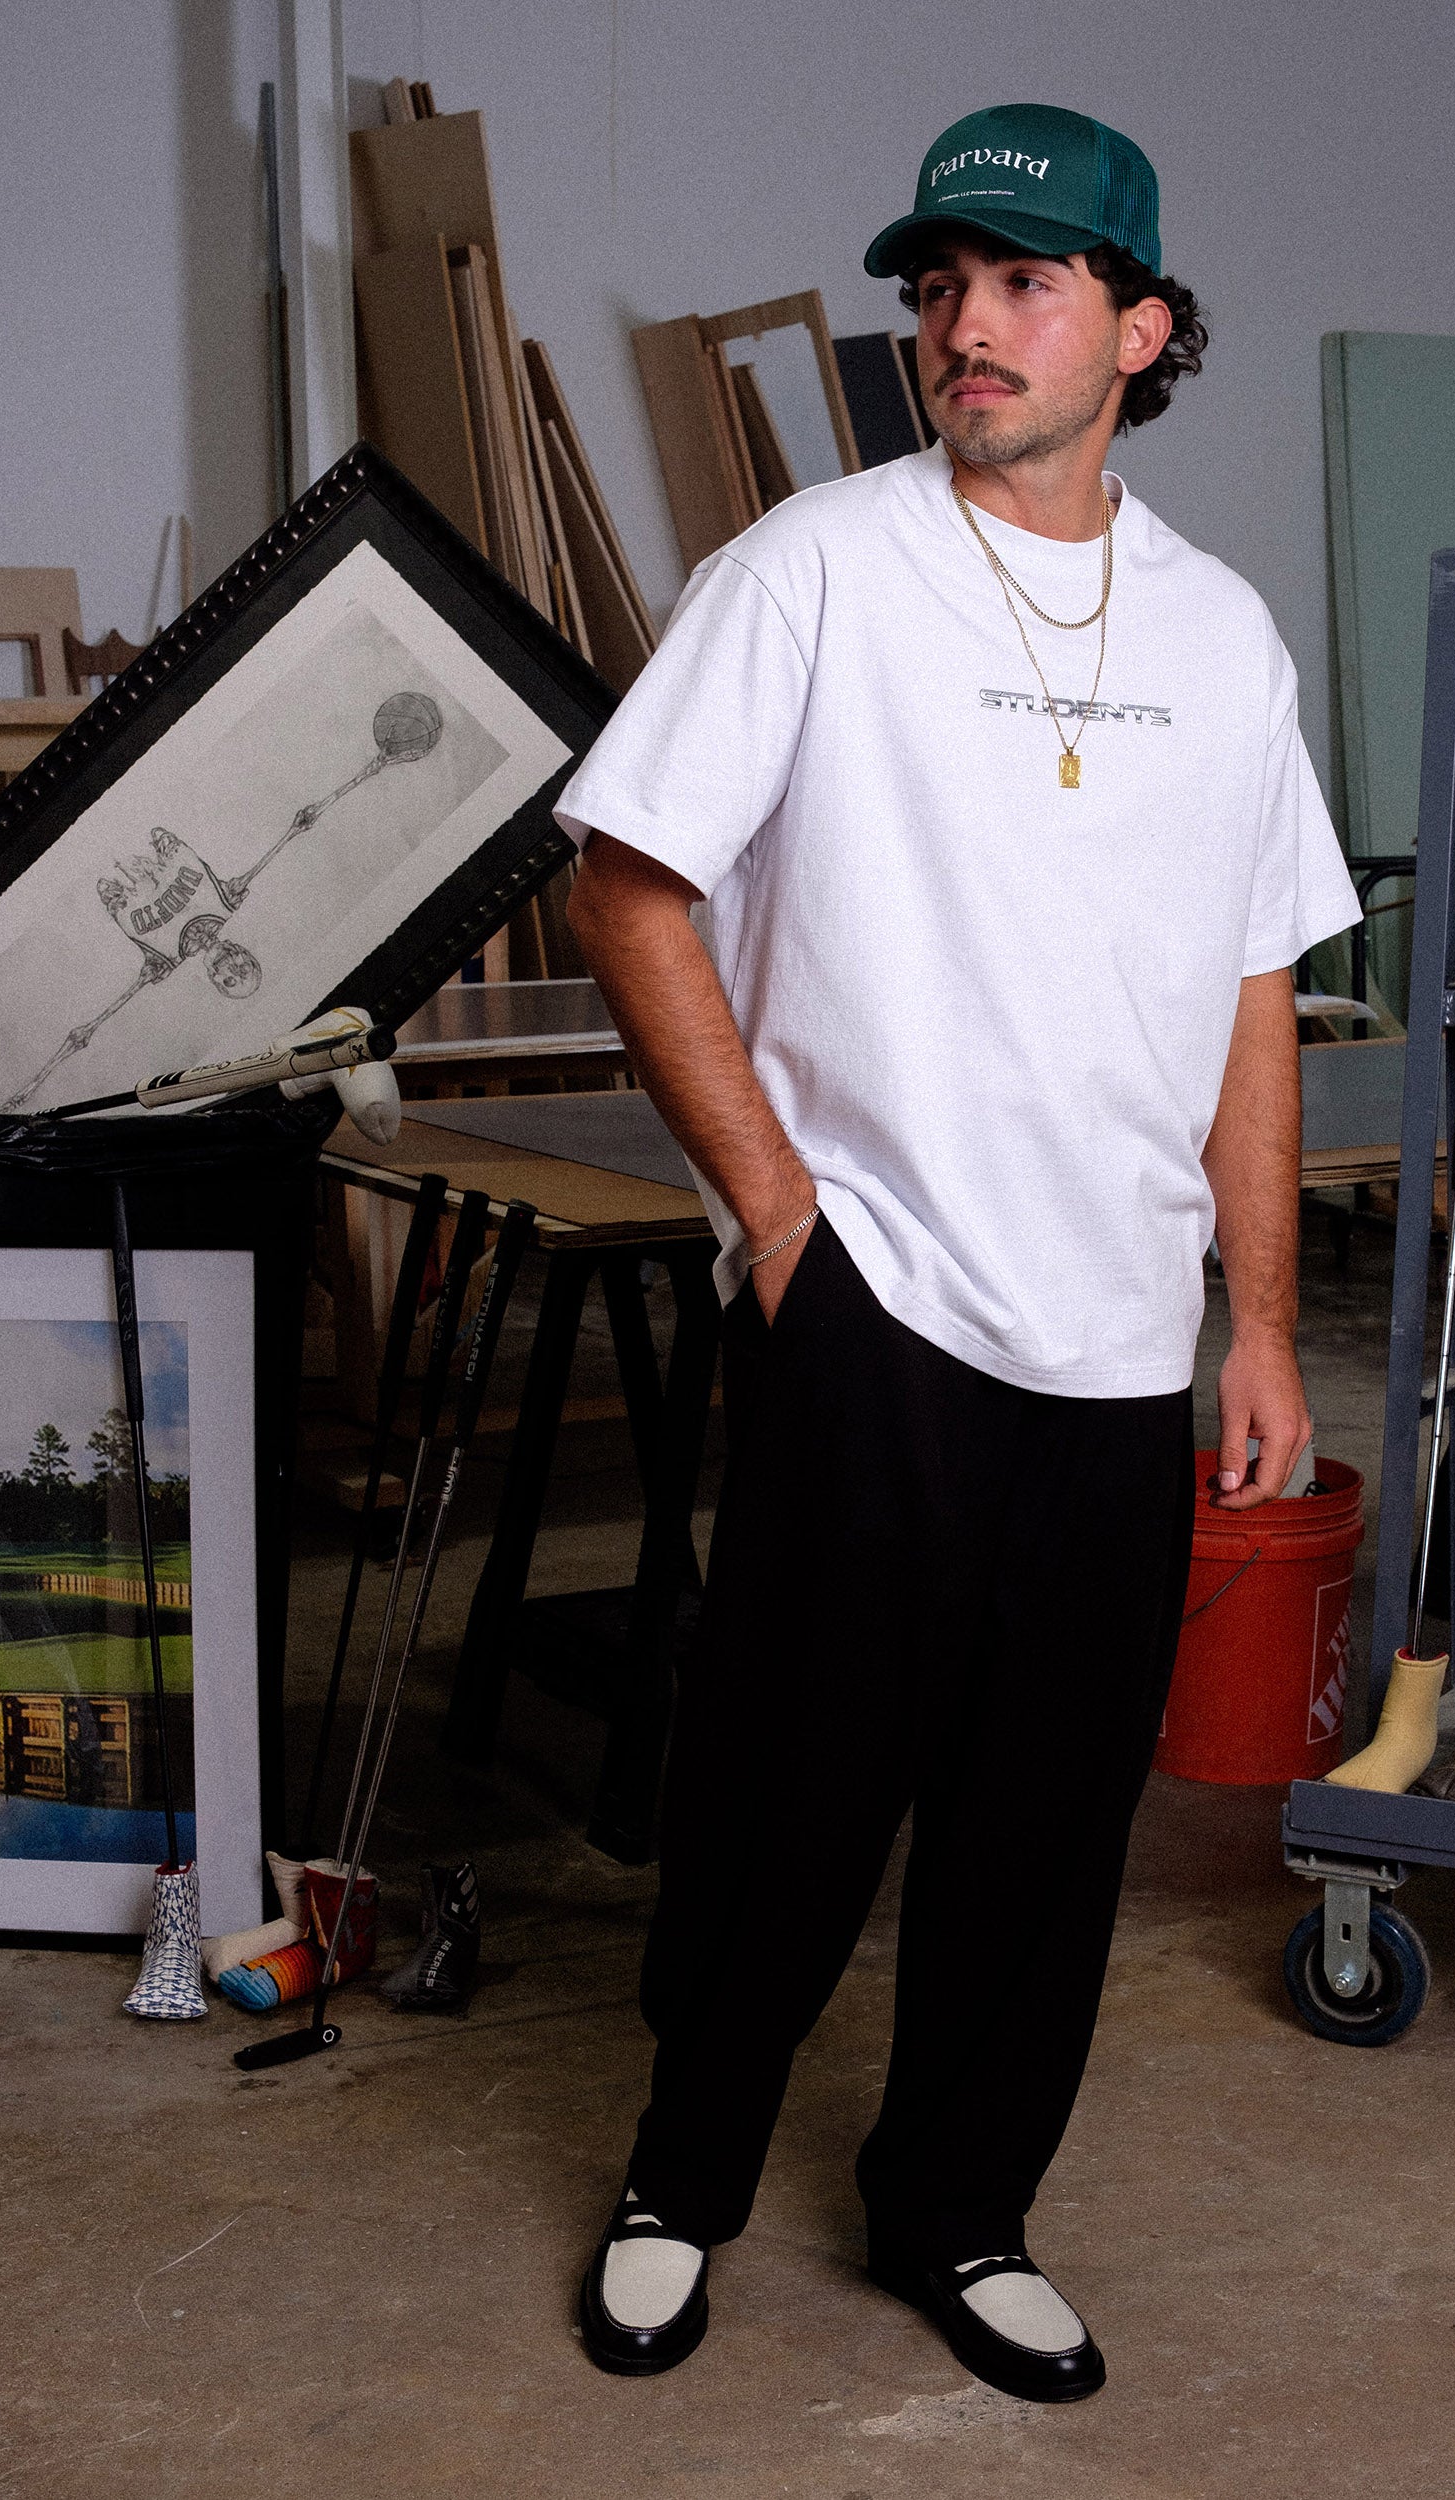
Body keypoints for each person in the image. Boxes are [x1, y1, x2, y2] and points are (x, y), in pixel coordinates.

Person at [558, 102, 1360, 2400]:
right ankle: (677, 2176)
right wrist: (790, 1226)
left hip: (1120, 1339)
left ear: (1142, 325)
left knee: (1040, 1828)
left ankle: (959, 2208)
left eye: (1021, 285)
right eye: (937, 287)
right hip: (879, 1307)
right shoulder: (814, 569)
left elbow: (1246, 989)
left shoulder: (1219, 635)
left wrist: (1263, 1322)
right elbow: (633, 879)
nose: (963, 327)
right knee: (783, 1801)